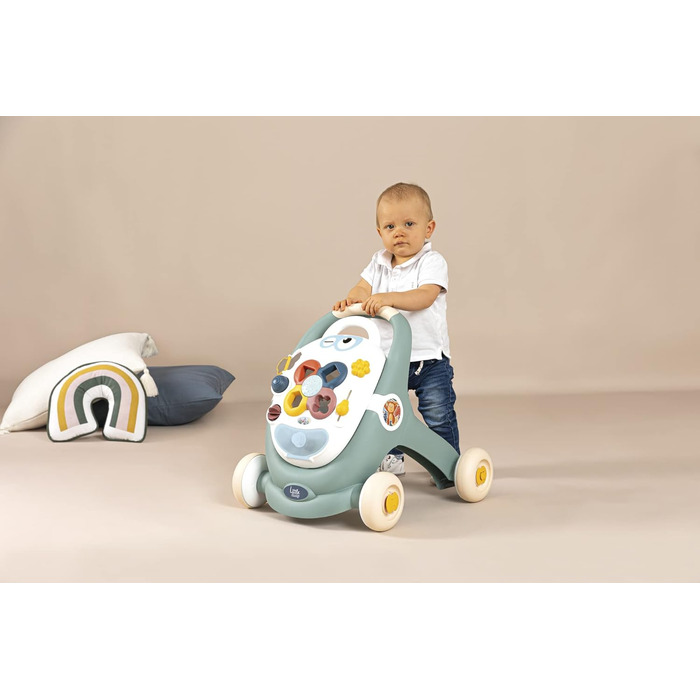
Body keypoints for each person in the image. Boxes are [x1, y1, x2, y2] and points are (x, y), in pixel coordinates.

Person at [332, 182, 459, 476]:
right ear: (380, 233)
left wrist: (388, 299)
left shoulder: (431, 261)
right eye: (390, 226)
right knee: (386, 410)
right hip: (389, 359)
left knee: (438, 413)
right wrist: (352, 299)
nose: (399, 232)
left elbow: (425, 296)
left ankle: (447, 462)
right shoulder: (378, 263)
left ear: (429, 229)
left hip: (429, 358)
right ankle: (392, 458)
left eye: (409, 224)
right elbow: (362, 288)